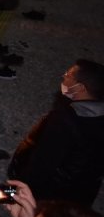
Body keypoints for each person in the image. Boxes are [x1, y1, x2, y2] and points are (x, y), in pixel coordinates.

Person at [8, 59, 104, 205]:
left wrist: (23, 188)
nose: (64, 76)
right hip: (81, 195)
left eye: (69, 75)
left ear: (81, 88)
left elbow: (42, 163)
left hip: (49, 196)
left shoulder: (65, 120)